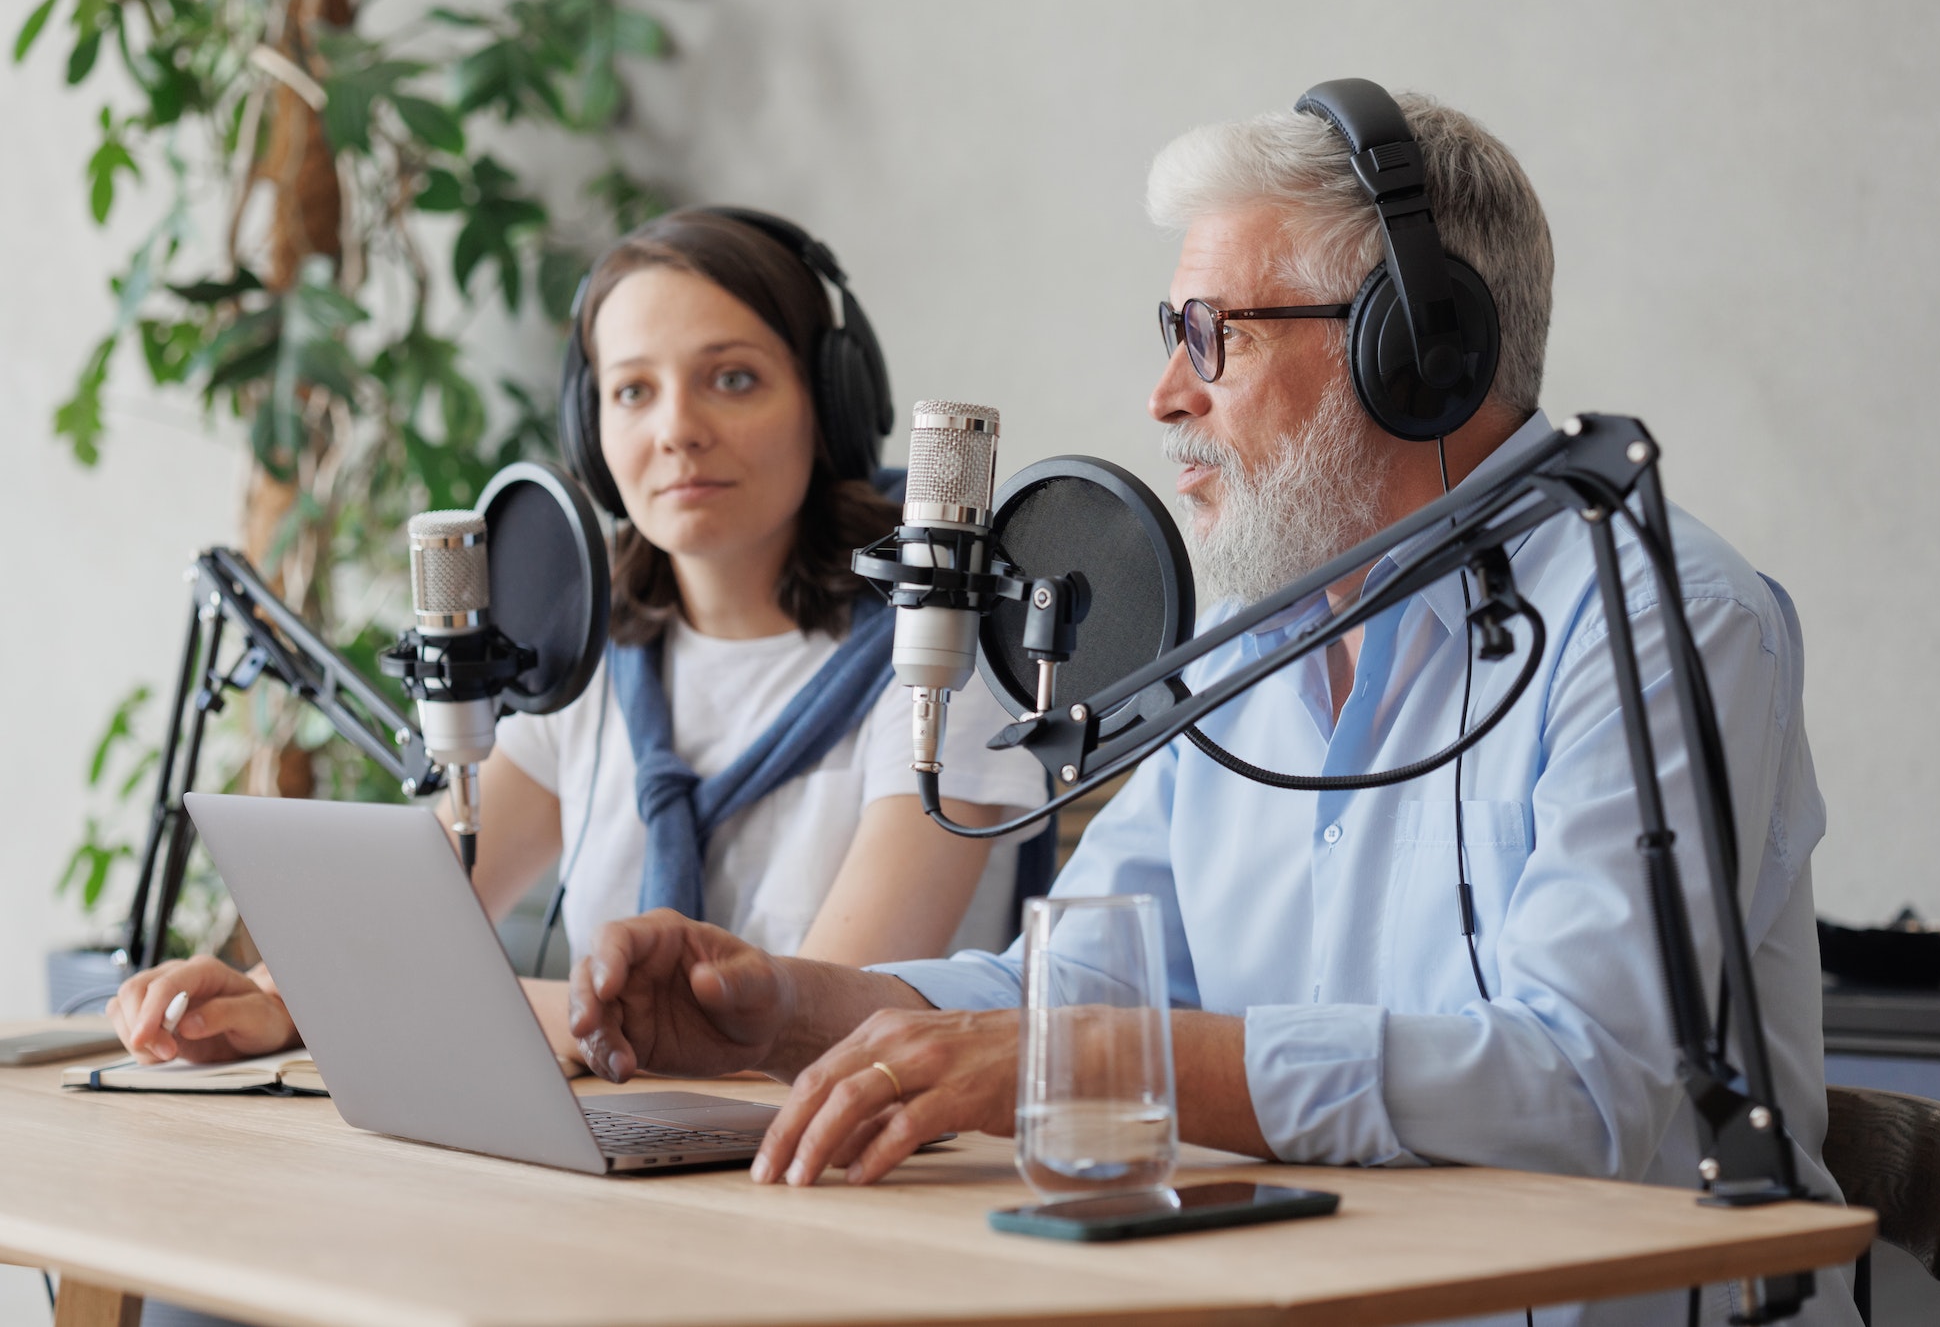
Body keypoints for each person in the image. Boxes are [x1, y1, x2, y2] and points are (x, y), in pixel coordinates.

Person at [563, 91, 1851, 1327]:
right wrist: (784, 1010)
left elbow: (1586, 1084)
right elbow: (1060, 993)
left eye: (1206, 336)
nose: (1162, 397)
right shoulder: (1267, 644)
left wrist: (1109, 1062)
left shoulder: (1655, 620)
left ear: (1408, 350)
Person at [107, 208, 1048, 1070]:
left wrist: (403, 1004)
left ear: (829, 403)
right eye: (633, 391)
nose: (678, 429)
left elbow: (815, 1025)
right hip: (632, 1153)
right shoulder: (594, 659)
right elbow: (414, 921)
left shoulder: (940, 664)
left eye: (733, 378)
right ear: (591, 432)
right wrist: (278, 999)